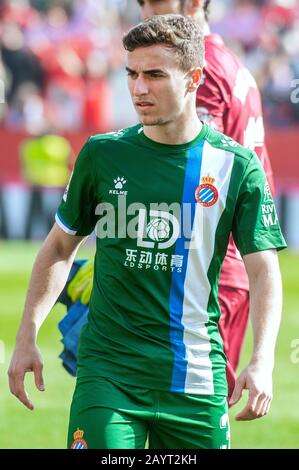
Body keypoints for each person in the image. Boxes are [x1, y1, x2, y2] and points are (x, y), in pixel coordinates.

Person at [9, 14, 286, 449]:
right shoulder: (102, 154)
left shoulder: (236, 165)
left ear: (194, 78)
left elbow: (264, 269)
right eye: (132, 74)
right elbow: (60, 246)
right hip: (109, 374)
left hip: (196, 379)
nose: (139, 88)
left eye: (154, 75)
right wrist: (27, 334)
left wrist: (262, 359)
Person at [60, 0, 275, 399]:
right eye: (140, 3)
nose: (146, 11)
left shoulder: (203, 70)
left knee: (185, 409)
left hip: (204, 271)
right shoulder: (229, 61)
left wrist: (120, 262)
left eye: (156, 2)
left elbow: (187, 173)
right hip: (220, 265)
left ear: (193, 3)